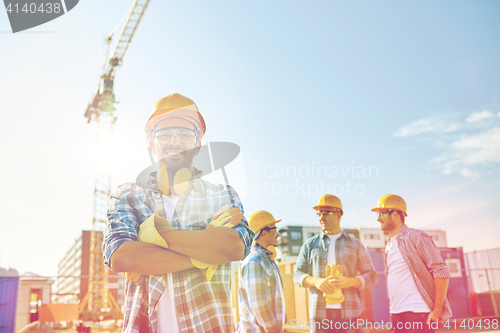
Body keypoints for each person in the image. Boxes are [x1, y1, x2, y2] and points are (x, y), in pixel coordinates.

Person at [102, 93, 254, 333]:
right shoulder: (127, 195)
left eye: (185, 134)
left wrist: (151, 235)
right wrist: (206, 253)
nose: (175, 141)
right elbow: (122, 257)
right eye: (164, 133)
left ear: (197, 144)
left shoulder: (222, 195)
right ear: (152, 143)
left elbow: (234, 248)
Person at [293, 195, 377, 333]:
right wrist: (316, 281)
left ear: (339, 214)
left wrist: (349, 281)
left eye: (326, 212)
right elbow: (297, 274)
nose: (321, 217)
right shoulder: (309, 245)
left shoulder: (355, 244)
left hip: (351, 315)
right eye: (319, 213)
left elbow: (372, 276)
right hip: (320, 315)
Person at [372, 194, 452, 333]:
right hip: (397, 313)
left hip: (418, 312)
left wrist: (437, 309)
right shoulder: (389, 244)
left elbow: (440, 270)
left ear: (395, 214)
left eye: (382, 214)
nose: (378, 219)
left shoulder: (414, 236)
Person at [238, 210, 285, 333]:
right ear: (264, 233)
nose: (278, 234)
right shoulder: (254, 261)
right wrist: (273, 328)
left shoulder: (267, 260)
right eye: (275, 229)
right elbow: (258, 303)